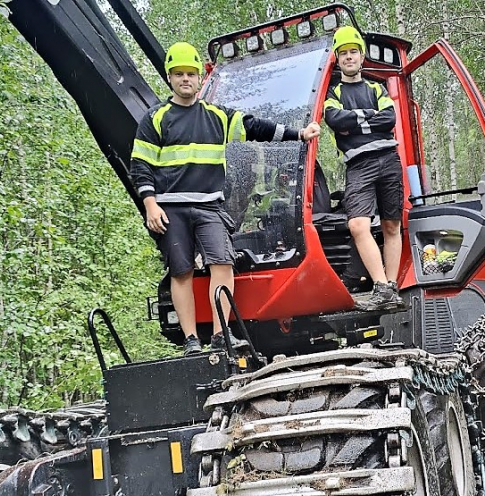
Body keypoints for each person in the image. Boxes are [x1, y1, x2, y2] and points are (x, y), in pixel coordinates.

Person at [131, 42, 320, 355]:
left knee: (223, 264)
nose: (185, 79)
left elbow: (256, 127)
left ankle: (221, 334)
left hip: (209, 206)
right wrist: (150, 203)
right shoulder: (155, 119)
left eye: (191, 73)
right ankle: (192, 341)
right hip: (171, 209)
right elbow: (140, 166)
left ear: (199, 78)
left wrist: (298, 134)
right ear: (169, 77)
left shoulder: (218, 117)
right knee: (181, 272)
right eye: (179, 74)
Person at [323, 26, 405, 311]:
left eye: (353, 52)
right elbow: (334, 119)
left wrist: (355, 121)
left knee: (391, 224)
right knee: (358, 224)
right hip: (358, 164)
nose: (348, 57)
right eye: (343, 53)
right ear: (337, 58)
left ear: (361, 56)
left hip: (388, 159)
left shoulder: (376, 87)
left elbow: (389, 118)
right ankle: (381, 284)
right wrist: (370, 118)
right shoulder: (333, 93)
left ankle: (391, 288)